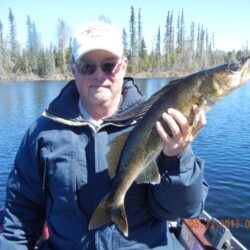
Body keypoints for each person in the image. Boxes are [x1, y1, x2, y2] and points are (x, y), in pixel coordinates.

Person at [0, 21, 208, 249]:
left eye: (109, 65)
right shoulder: (42, 134)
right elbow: (20, 218)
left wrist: (176, 158)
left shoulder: (156, 122)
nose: (99, 75)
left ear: (124, 66)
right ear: (73, 69)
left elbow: (182, 210)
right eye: (87, 66)